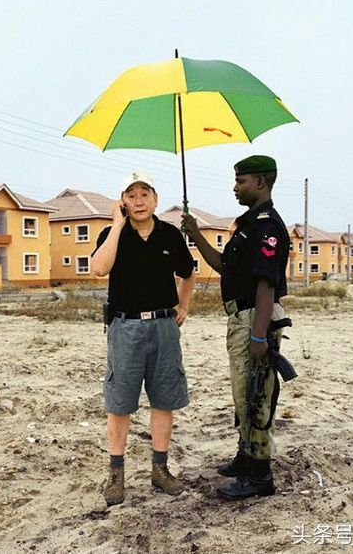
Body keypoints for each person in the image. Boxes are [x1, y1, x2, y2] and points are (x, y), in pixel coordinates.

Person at [182, 155, 290, 500]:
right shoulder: (247, 224)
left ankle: (259, 476)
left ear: (260, 182)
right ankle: (246, 456)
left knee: (257, 395)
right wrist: (196, 234)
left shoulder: (267, 226)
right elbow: (224, 265)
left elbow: (266, 286)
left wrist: (259, 336)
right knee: (243, 394)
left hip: (254, 320)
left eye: (241, 181)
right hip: (240, 319)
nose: (235, 187)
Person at [91, 172, 196, 506]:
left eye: (144, 194)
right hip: (125, 328)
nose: (138, 201)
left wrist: (184, 305)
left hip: (164, 326)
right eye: (131, 195)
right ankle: (116, 476)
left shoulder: (169, 234)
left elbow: (188, 272)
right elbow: (98, 268)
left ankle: (160, 470)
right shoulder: (112, 233)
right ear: (123, 201)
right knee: (120, 402)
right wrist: (117, 225)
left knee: (164, 399)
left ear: (155, 200)